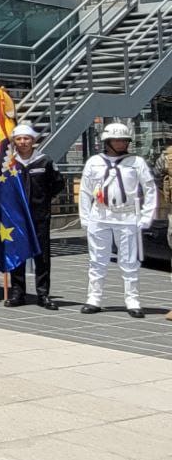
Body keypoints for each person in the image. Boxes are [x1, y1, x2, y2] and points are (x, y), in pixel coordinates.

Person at [78, 122, 156, 318]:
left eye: (124, 140)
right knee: (97, 260)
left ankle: (132, 300)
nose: (121, 143)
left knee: (129, 261)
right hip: (100, 215)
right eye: (117, 140)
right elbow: (85, 192)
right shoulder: (94, 161)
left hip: (127, 214)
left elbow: (149, 189)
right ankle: (94, 298)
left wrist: (146, 216)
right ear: (107, 142)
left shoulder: (136, 162)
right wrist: (85, 218)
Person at [6, 123, 65, 309]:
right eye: (19, 139)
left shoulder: (44, 161)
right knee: (17, 254)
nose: (23, 142)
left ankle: (43, 294)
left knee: (42, 256)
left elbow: (57, 184)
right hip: (15, 217)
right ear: (14, 141)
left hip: (39, 216)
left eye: (27, 139)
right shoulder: (9, 163)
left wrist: (44, 201)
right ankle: (17, 292)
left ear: (34, 141)